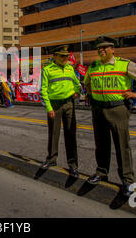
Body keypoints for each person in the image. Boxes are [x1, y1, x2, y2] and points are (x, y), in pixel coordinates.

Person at [84, 36, 136, 196]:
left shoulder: (124, 64)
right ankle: (101, 172)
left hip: (117, 109)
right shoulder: (94, 66)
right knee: (101, 143)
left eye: (105, 48)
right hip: (98, 109)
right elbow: (87, 82)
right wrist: (91, 95)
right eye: (99, 48)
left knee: (122, 145)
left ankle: (128, 180)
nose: (101, 50)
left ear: (113, 49)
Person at [40, 45, 81, 177]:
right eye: (62, 56)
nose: (65, 58)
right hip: (54, 105)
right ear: (55, 56)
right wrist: (49, 107)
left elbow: (76, 82)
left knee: (70, 133)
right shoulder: (47, 70)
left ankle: (73, 165)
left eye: (67, 56)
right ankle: (51, 159)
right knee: (53, 133)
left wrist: (77, 91)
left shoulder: (70, 68)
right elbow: (43, 90)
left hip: (69, 104)